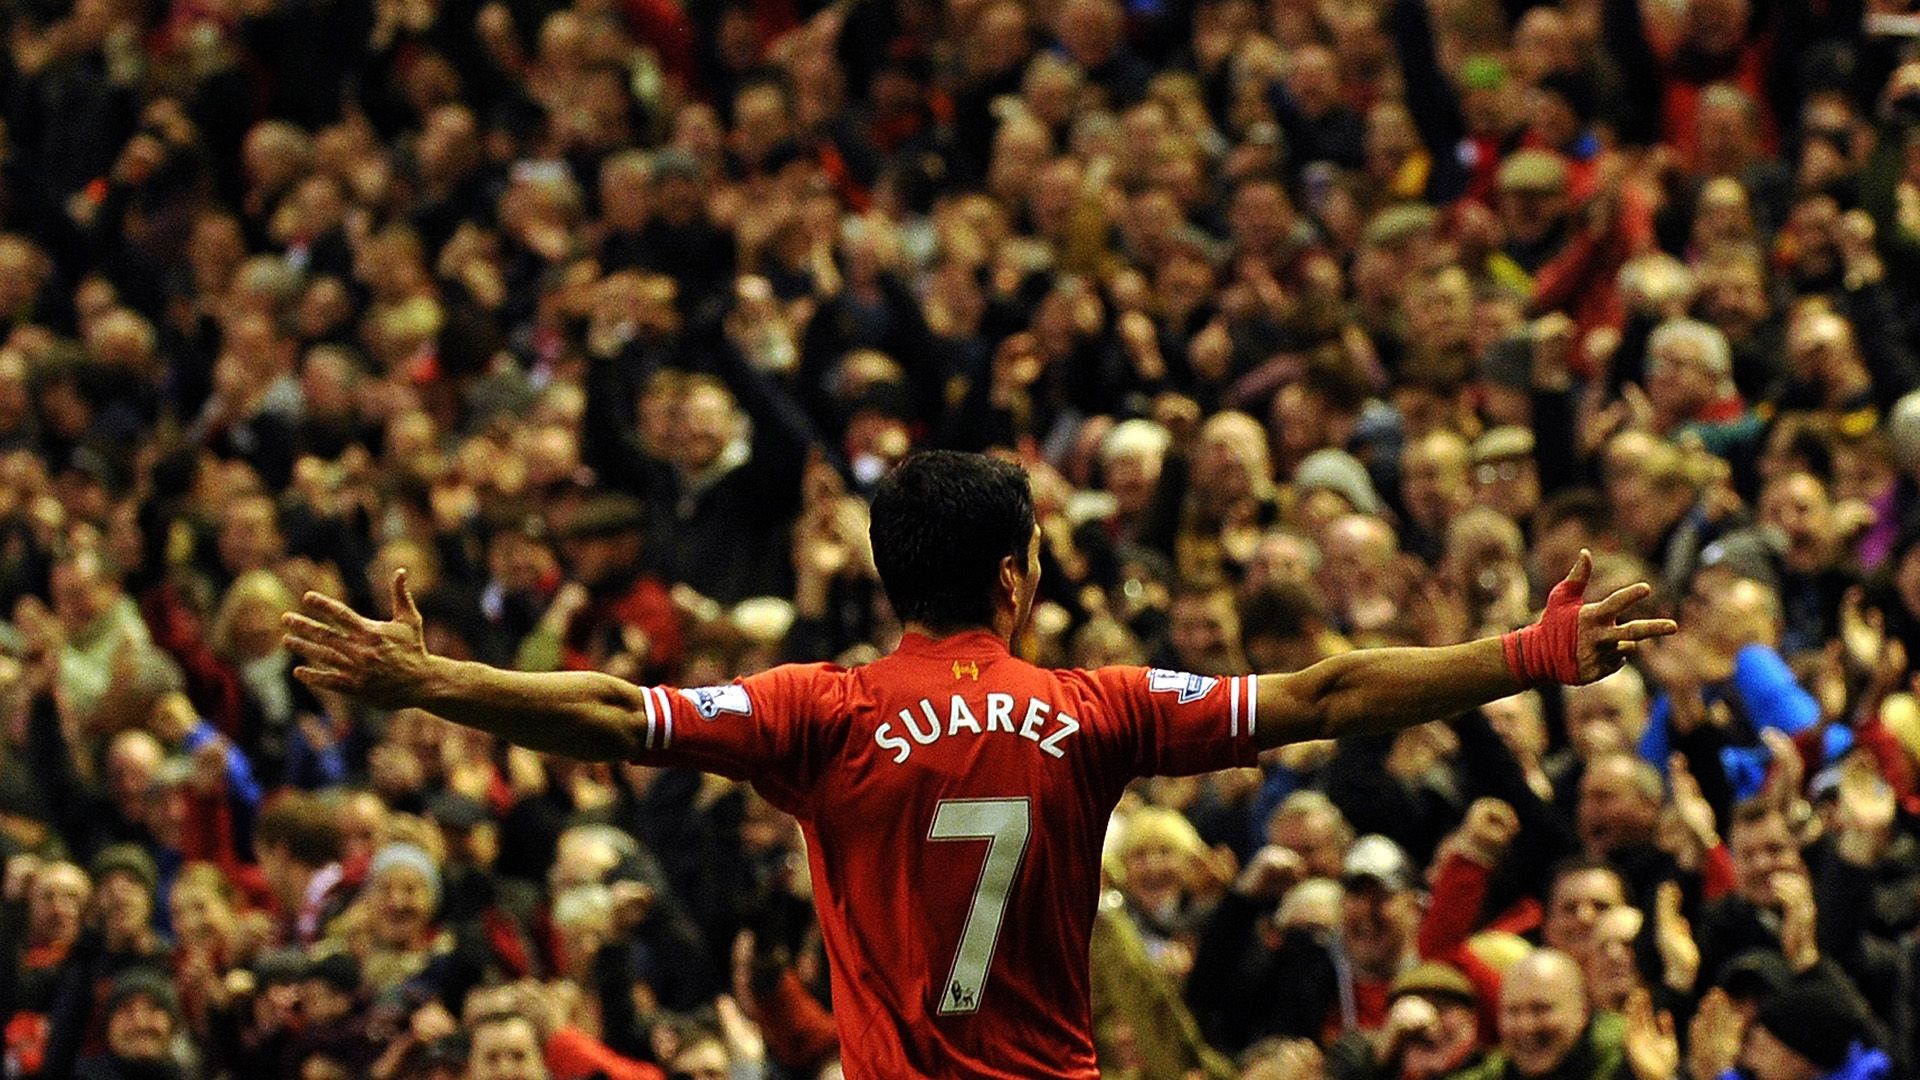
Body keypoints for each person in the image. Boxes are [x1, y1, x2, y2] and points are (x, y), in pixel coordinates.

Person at [280, 450, 1674, 1079]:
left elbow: (611, 711)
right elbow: (1328, 691)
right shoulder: (1094, 708)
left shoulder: (819, 711)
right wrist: (1527, 652)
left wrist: (436, 680)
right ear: (1012, 580)